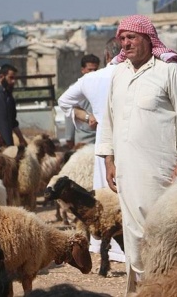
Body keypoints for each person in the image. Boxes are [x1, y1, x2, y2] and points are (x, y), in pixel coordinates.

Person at [96, 15, 177, 292]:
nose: (126, 43)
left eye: (132, 37)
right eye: (123, 38)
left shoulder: (170, 71)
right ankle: (141, 289)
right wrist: (108, 160)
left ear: (148, 39)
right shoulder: (118, 73)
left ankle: (163, 287)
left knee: (160, 231)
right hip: (127, 170)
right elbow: (109, 119)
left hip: (161, 169)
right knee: (132, 232)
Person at [59, 39, 123, 258]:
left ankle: (105, 243)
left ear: (106, 56)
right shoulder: (132, 74)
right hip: (129, 143)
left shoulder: (92, 79)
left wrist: (88, 117)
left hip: (103, 145)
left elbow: (64, 101)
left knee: (105, 195)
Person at [63, 54, 100, 149]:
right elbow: (69, 114)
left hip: (100, 138)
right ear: (83, 70)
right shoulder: (75, 89)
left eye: (95, 70)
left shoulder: (102, 87)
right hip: (83, 140)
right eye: (89, 69)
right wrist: (69, 138)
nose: (93, 72)